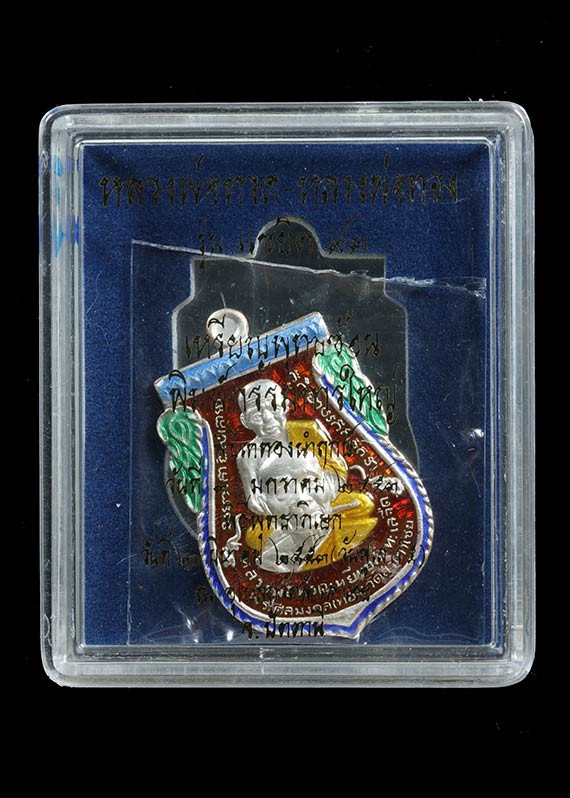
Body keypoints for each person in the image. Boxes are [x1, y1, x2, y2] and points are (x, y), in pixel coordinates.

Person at [236, 379, 377, 572]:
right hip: (282, 510)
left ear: (285, 406)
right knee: (254, 537)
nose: (268, 419)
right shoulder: (247, 456)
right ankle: (304, 546)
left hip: (321, 497)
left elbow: (337, 469)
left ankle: (321, 543)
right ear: (245, 421)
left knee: (363, 504)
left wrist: (318, 498)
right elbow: (254, 500)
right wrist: (284, 507)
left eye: (273, 407)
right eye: (257, 415)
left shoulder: (308, 431)